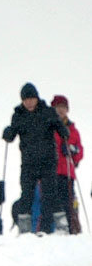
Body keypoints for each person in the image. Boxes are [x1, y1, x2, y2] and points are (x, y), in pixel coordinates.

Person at [2, 83, 69, 234]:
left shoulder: (47, 112)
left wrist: (64, 132)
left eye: (32, 99)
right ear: (22, 101)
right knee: (27, 194)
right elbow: (11, 135)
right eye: (26, 100)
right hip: (28, 162)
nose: (29, 102)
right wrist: (7, 133)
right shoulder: (18, 115)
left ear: (37, 98)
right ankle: (24, 229)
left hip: (48, 160)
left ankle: (61, 226)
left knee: (51, 192)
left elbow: (59, 126)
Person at [51, 95, 84, 234]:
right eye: (58, 107)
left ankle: (72, 228)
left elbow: (80, 151)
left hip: (67, 172)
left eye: (63, 107)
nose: (61, 110)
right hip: (51, 171)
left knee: (69, 202)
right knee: (52, 201)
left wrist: (71, 149)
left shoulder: (73, 130)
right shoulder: (49, 126)